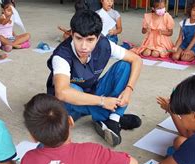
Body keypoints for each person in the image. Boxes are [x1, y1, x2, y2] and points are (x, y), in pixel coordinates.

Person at [46, 10, 143, 146]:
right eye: (78, 38)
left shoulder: (104, 44)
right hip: (66, 104)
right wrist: (103, 101)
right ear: (71, 34)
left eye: (90, 40)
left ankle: (112, 119)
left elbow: (137, 60)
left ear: (98, 37)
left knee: (125, 65)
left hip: (91, 91)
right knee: (71, 89)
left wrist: (129, 89)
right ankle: (112, 118)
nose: (84, 46)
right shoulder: (61, 55)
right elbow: (62, 93)